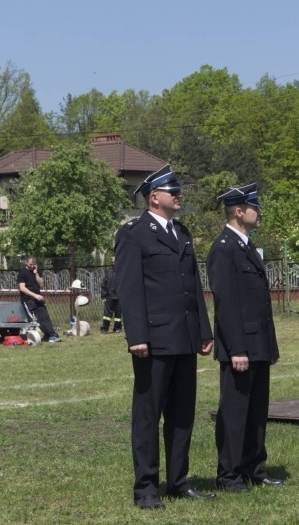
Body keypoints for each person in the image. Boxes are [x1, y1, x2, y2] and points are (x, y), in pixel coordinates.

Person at [115, 165, 215, 510]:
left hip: (185, 338)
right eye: (173, 191)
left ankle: (178, 481)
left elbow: (193, 288)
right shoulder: (134, 233)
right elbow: (129, 290)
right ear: (153, 197)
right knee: (148, 414)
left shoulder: (182, 233)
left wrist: (204, 330)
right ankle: (146, 487)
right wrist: (137, 336)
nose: (179, 195)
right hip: (153, 340)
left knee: (181, 413)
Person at [207, 183, 282, 492]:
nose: (259, 212)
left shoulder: (246, 245)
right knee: (235, 413)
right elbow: (226, 304)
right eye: (254, 207)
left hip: (258, 343)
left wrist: (267, 345)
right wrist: (237, 348)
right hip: (240, 347)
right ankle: (230, 474)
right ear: (239, 212)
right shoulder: (223, 248)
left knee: (256, 411)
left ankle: (254, 467)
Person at [17, 256, 61, 343]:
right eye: (31, 264)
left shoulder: (36, 271)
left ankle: (51, 334)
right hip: (28, 300)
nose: (32, 266)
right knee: (37, 319)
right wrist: (35, 295)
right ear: (26, 263)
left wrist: (36, 274)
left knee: (45, 316)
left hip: (38, 299)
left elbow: (41, 284)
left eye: (34, 264)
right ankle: (49, 335)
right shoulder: (22, 273)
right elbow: (22, 288)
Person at [100, 257, 122, 333]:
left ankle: (117, 328)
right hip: (109, 296)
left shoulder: (122, 271)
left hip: (119, 296)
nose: (114, 263)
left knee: (118, 315)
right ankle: (104, 329)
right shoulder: (108, 271)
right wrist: (103, 296)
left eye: (115, 261)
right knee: (107, 315)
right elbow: (103, 284)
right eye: (113, 261)